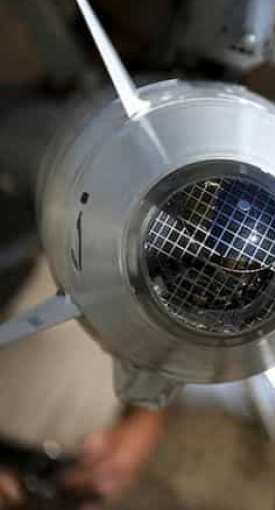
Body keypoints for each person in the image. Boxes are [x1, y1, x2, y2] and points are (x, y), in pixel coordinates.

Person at [0, 205, 167, 508]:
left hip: (69, 492)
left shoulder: (160, 277)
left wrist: (141, 430)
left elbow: (164, 378)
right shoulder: (22, 231)